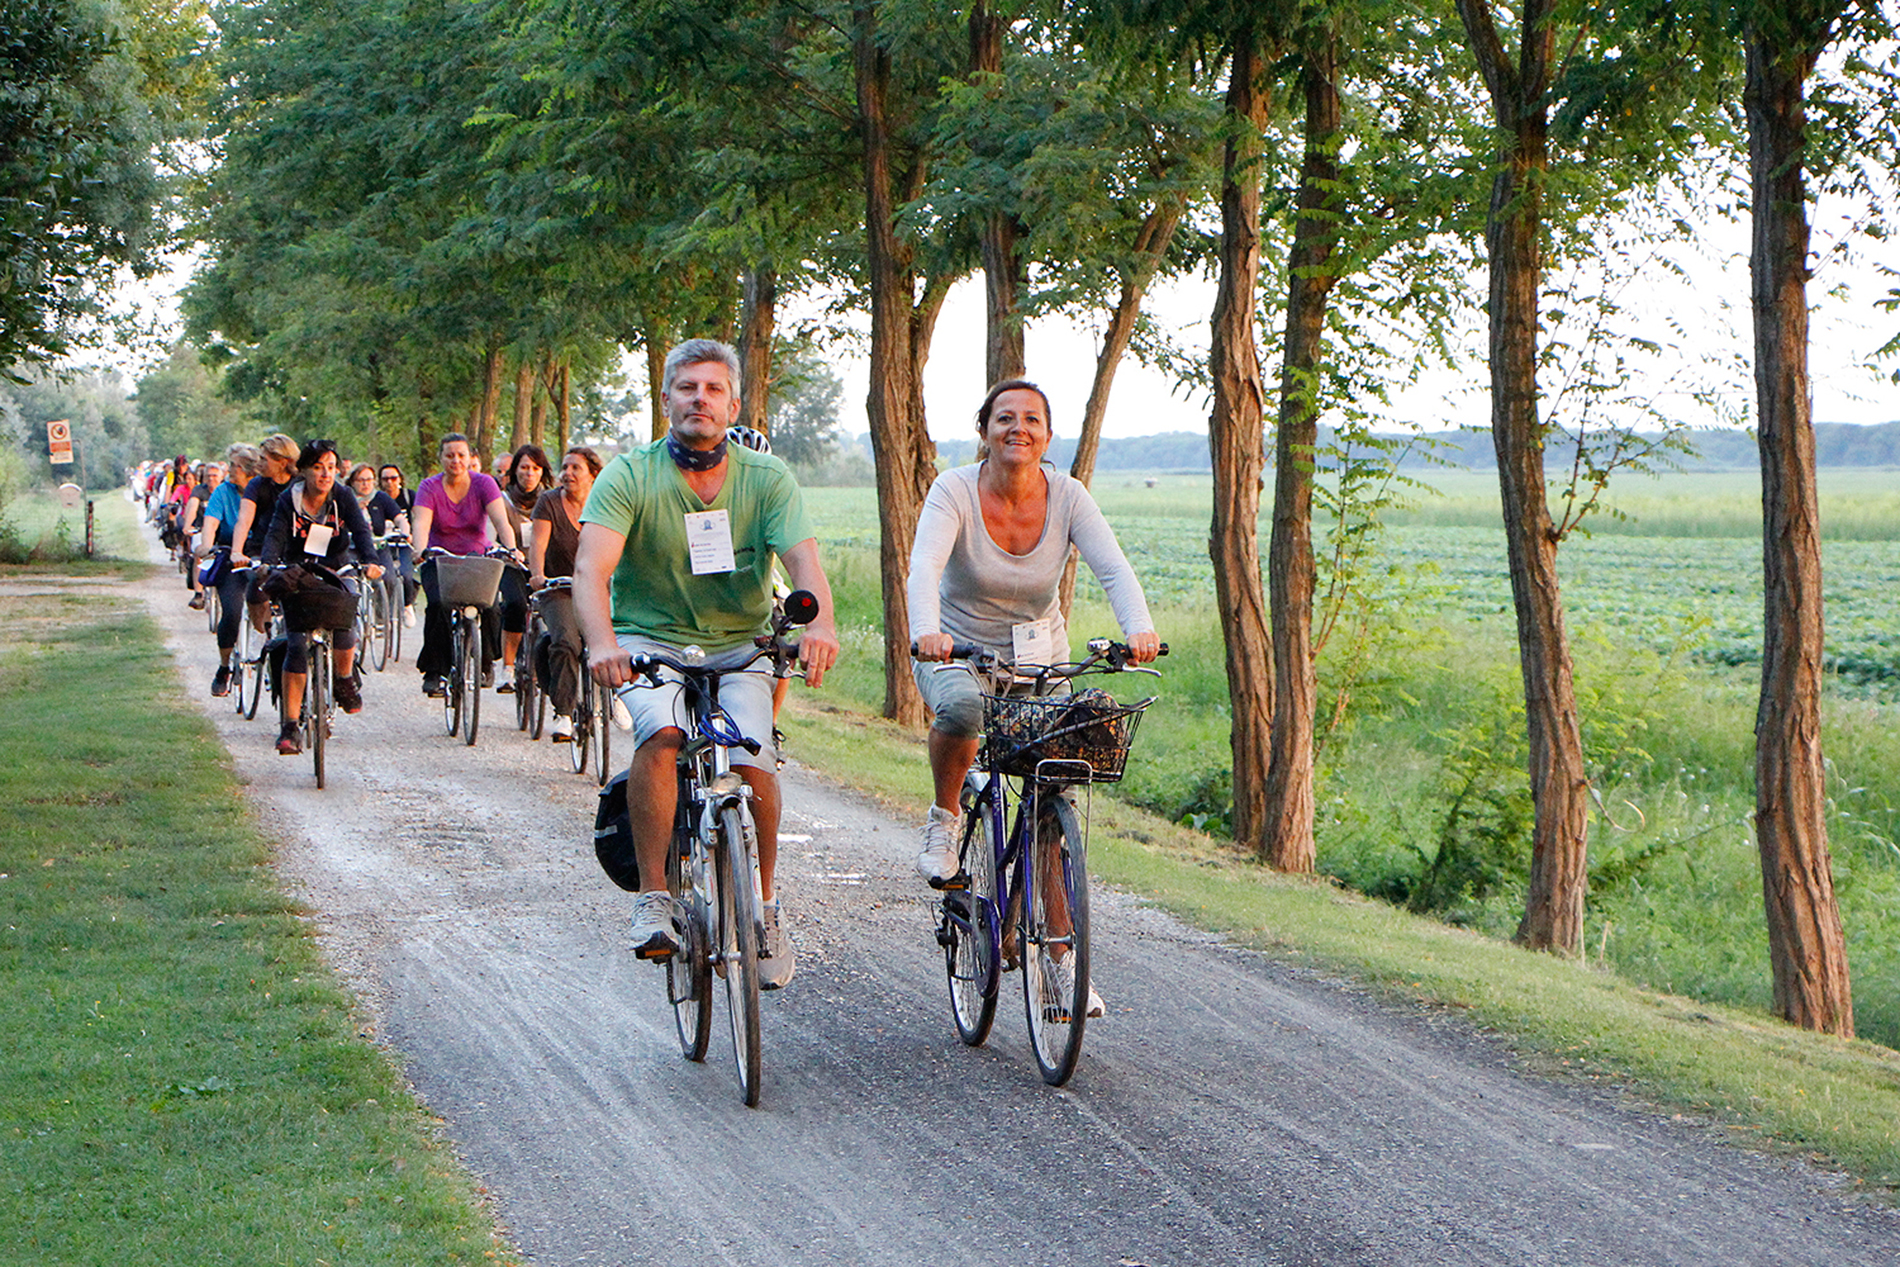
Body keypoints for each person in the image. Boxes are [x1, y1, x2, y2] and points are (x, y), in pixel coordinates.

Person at [574, 338, 839, 991]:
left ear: (734, 403)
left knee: (754, 758)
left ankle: (766, 910)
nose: (700, 398)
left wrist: (821, 625)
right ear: (666, 400)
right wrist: (603, 642)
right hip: (648, 642)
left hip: (741, 644)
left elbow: (804, 562)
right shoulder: (630, 474)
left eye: (713, 388)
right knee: (661, 735)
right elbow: (591, 568)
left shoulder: (766, 477)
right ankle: (655, 897)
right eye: (686, 387)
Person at [907, 379, 1160, 1017]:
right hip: (960, 653)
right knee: (962, 711)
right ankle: (945, 820)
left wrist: (1138, 630)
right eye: (1004, 417)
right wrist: (924, 634)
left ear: (1048, 436)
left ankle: (1059, 959)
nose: (1018, 428)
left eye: (1032, 420)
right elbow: (923, 568)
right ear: (985, 429)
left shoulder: (1068, 496)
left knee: (1057, 788)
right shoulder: (955, 490)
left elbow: (1113, 567)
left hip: (1039, 658)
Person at [261, 440, 383, 754]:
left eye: (330, 467)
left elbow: (361, 531)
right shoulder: (291, 499)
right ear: (303, 471)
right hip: (298, 572)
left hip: (336, 570)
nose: (325, 474)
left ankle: (344, 679)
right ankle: (289, 727)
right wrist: (268, 562)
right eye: (317, 467)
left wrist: (371, 561)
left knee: (345, 625)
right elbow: (275, 533)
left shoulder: (343, 496)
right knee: (296, 643)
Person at [411, 433, 520, 698]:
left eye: (461, 455)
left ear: (471, 458)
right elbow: (421, 522)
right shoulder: (429, 487)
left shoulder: (484, 484)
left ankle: (485, 662)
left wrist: (512, 548)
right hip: (439, 558)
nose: (456, 460)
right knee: (437, 604)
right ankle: (435, 672)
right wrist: (419, 549)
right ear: (441, 459)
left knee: (492, 606)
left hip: (476, 557)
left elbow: (500, 521)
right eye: (449, 455)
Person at [527, 446, 601, 741]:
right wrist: (537, 575)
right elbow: (538, 544)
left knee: (621, 635)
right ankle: (565, 713)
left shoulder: (604, 502)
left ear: (593, 475)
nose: (567, 473)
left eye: (576, 468)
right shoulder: (548, 502)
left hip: (596, 586)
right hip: (558, 587)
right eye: (565, 467)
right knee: (566, 641)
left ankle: (617, 696)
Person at [199, 445, 260, 696]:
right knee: (232, 611)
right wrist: (205, 545)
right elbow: (211, 522)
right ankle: (224, 666)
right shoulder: (223, 492)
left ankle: (266, 650)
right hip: (229, 555)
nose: (229, 469)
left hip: (260, 553)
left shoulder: (263, 490)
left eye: (233, 465)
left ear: (247, 469)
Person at [230, 434, 301, 633]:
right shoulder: (256, 485)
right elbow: (244, 520)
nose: (258, 464)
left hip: (296, 549)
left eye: (264, 459)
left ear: (283, 462)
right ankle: (259, 635)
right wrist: (237, 551)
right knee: (256, 588)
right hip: (261, 549)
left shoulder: (300, 484)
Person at [496, 445, 551, 694]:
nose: (529, 473)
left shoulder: (551, 500)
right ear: (515, 470)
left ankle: (541, 669)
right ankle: (507, 668)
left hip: (544, 566)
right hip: (512, 564)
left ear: (542, 472)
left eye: (535, 469)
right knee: (516, 605)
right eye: (524, 468)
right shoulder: (501, 500)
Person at [376, 464, 419, 621]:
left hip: (403, 543)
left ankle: (408, 604)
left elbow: (419, 517)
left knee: (406, 574)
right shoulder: (377, 498)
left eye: (393, 478)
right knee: (385, 576)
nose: (390, 482)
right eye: (385, 479)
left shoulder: (409, 496)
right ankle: (382, 612)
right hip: (383, 543)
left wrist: (414, 536)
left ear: (400, 479)